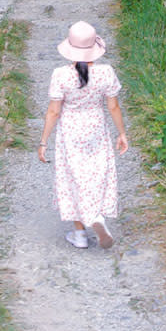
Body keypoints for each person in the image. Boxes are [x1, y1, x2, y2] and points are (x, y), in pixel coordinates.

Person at [37, 20, 128, 249]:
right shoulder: (106, 73)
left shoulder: (60, 75)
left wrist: (43, 141)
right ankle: (95, 215)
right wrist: (122, 133)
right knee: (97, 174)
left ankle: (80, 234)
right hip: (96, 128)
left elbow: (54, 111)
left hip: (71, 131)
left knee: (73, 177)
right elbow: (113, 107)